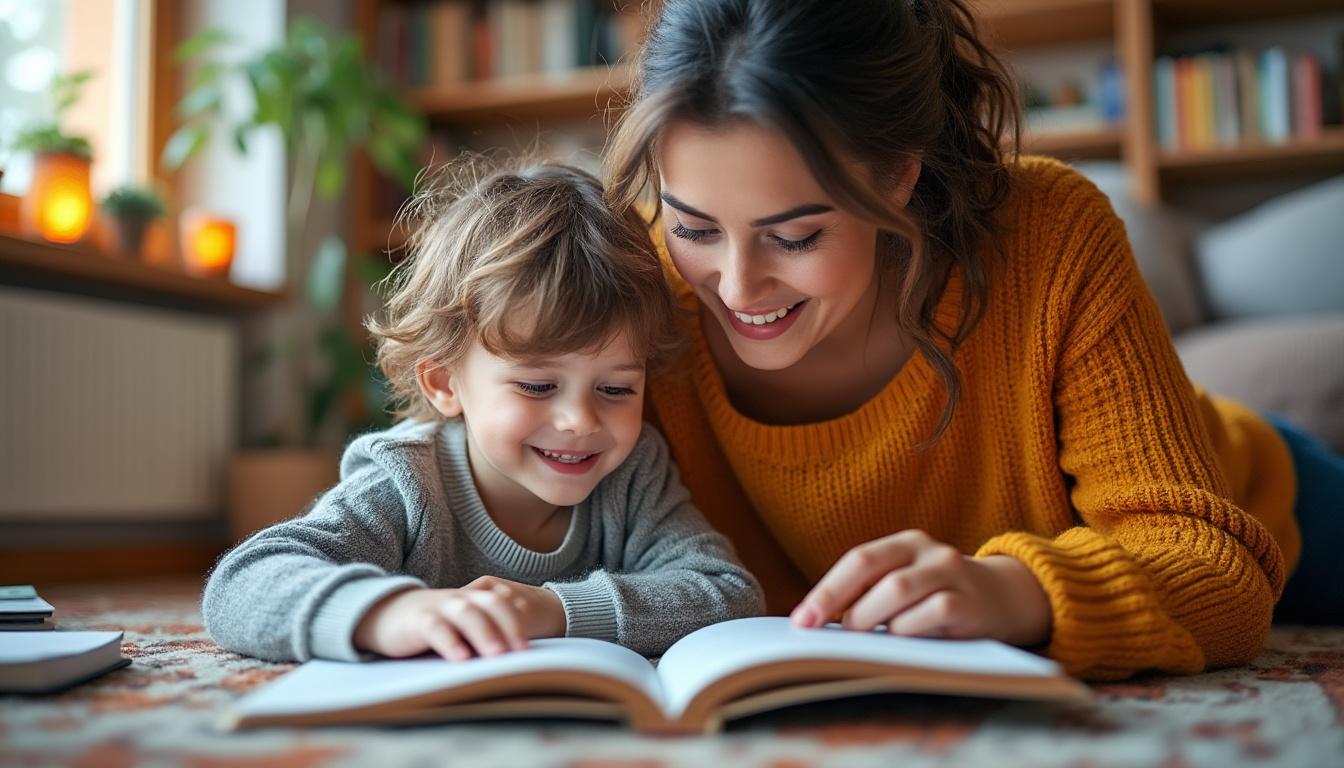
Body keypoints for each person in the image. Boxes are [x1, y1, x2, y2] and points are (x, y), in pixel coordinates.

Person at [604, 0, 1344, 680]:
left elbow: (1217, 571)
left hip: (1263, 503)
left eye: (795, 237)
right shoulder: (636, 288)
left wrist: (1015, 591)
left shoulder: (1051, 235)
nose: (735, 287)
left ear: (897, 172)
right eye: (694, 227)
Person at [202, 162, 764, 663]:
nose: (581, 421)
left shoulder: (633, 473)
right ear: (446, 383)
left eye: (616, 390)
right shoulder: (408, 482)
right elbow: (242, 584)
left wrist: (554, 610)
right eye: (538, 385)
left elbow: (727, 590)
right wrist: (385, 614)